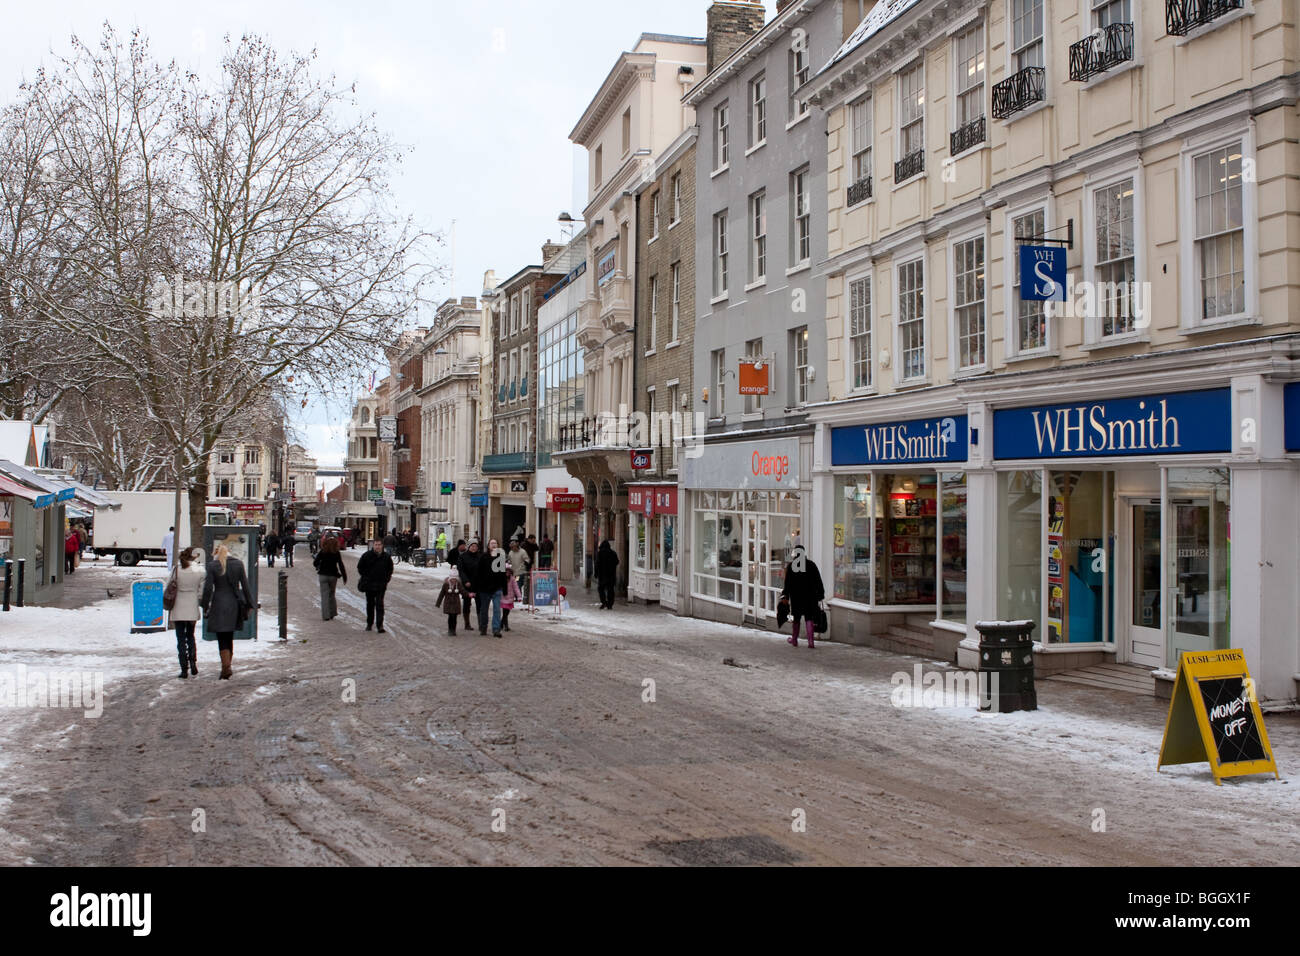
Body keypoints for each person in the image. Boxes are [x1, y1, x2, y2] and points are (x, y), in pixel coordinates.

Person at [201, 542, 253, 679]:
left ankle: (225, 667)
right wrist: (250, 604)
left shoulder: (212, 566)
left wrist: (204, 605)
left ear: (216, 553)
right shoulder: (238, 564)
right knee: (229, 635)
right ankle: (227, 665)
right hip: (234, 604)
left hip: (218, 603)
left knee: (221, 637)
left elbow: (207, 588)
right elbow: (245, 586)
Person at [168, 547, 206, 679]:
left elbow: (169, 584)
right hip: (191, 603)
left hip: (178, 604)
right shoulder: (200, 571)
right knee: (190, 635)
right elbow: (202, 590)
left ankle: (184, 668)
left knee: (180, 638)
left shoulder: (177, 569)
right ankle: (193, 663)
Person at [780, 544, 825, 649]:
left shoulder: (791, 567)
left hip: (797, 598)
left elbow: (787, 584)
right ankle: (811, 642)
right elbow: (818, 581)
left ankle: (794, 640)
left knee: (797, 618)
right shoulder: (811, 565)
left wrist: (785, 595)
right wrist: (820, 594)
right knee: (809, 618)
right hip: (810, 597)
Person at [357, 538, 394, 633]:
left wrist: (386, 578)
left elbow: (390, 569)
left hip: (381, 584)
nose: (377, 547)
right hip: (369, 584)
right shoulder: (367, 555)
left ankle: (380, 625)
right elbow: (360, 567)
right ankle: (369, 623)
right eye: (376, 545)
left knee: (379, 604)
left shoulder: (386, 557)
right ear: (373, 545)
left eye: (379, 545)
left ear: (382, 546)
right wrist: (366, 576)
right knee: (370, 604)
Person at [473, 538, 507, 637]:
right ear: (488, 546)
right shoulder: (483, 557)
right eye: (492, 543)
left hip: (497, 588)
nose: (493, 545)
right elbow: (478, 573)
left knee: (497, 609)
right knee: (484, 609)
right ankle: (483, 627)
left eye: (495, 543)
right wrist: (477, 587)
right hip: (484, 589)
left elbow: (503, 574)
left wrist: (504, 588)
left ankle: (496, 629)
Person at [314, 535, 346, 621]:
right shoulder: (336, 553)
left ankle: (326, 615)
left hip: (323, 575)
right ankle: (332, 612)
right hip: (333, 576)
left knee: (324, 595)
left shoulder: (322, 552)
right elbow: (341, 565)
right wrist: (344, 576)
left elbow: (315, 562)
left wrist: (318, 566)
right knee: (332, 594)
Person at [457, 540, 481, 631]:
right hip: (467, 584)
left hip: (478, 584)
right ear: (468, 546)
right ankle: (467, 623)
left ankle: (480, 623)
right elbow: (461, 570)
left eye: (475, 546)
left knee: (480, 604)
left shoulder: (480, 556)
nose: (474, 548)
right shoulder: (463, 557)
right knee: (467, 604)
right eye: (472, 546)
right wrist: (465, 580)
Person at [435, 569, 466, 635]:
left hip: (456, 604)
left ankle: (453, 630)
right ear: (450, 579)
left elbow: (463, 592)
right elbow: (441, 594)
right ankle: (450, 629)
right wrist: (438, 603)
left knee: (454, 617)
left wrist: (469, 595)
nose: (453, 581)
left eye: (455, 579)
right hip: (448, 604)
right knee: (450, 617)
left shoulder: (459, 585)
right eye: (452, 579)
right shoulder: (446, 585)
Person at [595, 539, 619, 609]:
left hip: (602, 576)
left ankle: (604, 602)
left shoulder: (600, 553)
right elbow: (617, 562)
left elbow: (597, 564)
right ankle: (610, 604)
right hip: (611, 576)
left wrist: (596, 573)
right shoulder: (613, 553)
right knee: (610, 590)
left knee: (601, 589)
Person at [500, 568, 522, 632]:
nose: (507, 573)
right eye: (506, 571)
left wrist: (519, 596)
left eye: (509, 572)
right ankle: (506, 626)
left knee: (507, 612)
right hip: (503, 597)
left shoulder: (512, 579)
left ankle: (501, 623)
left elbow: (516, 588)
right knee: (505, 612)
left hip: (510, 598)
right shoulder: (501, 578)